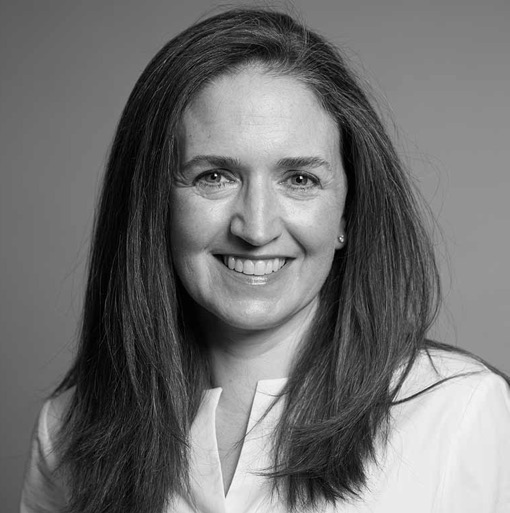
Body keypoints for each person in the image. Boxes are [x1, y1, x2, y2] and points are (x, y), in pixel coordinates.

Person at [20, 8, 510, 513]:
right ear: (154, 208)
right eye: (214, 176)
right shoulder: (68, 431)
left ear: (348, 212)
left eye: (299, 179)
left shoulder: (460, 414)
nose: (255, 229)